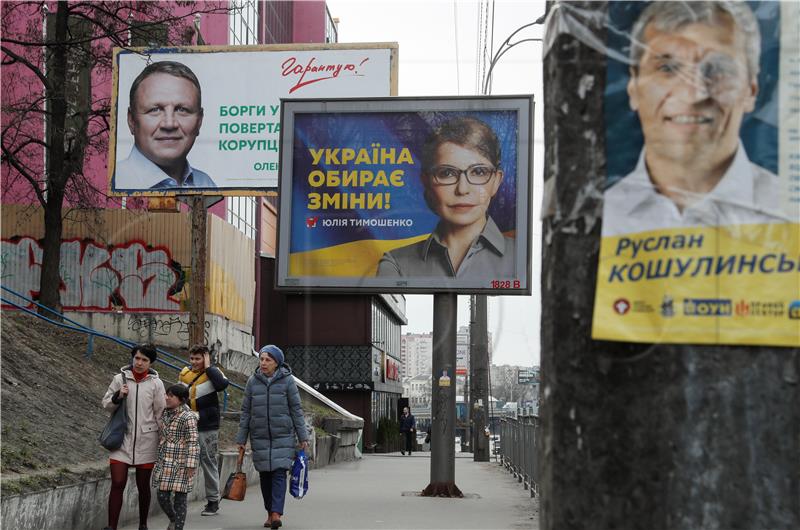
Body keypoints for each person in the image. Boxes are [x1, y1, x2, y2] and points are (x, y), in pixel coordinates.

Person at [602, 1, 792, 237]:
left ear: (751, 90)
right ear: (633, 88)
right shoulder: (596, 219)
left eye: (719, 68)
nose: (694, 95)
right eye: (668, 68)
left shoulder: (792, 214)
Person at [376, 117, 515, 278]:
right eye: (447, 173)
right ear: (426, 182)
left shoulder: (520, 258)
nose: (462, 189)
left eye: (478, 172)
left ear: (496, 181)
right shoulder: (396, 264)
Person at [236, 345, 310, 529]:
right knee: (265, 476)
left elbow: (296, 410)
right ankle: (269, 512)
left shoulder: (288, 381)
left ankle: (276, 513)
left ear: (277, 363)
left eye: (268, 360)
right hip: (259, 435)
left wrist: (303, 437)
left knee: (278, 473)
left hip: (282, 435)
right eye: (261, 359)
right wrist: (241, 439)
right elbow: (245, 412)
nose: (263, 363)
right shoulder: (253, 381)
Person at [115, 60, 215, 190]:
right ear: (131, 120)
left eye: (182, 110)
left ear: (199, 121)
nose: (169, 124)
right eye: (155, 110)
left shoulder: (206, 184)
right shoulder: (115, 180)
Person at [101, 344, 166, 530]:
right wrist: (118, 396)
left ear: (150, 363)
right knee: (118, 482)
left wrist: (163, 438)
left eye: (144, 360)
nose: (139, 363)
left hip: (147, 441)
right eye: (137, 358)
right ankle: (111, 526)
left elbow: (160, 412)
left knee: (143, 486)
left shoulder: (156, 383)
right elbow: (105, 404)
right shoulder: (119, 379)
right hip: (121, 439)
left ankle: (143, 524)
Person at [178, 344, 229, 517]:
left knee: (208, 461)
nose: (194, 362)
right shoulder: (184, 374)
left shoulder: (213, 373)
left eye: (198, 358)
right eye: (192, 358)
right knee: (184, 462)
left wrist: (208, 366)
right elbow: (179, 397)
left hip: (207, 426)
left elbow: (222, 385)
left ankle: (213, 501)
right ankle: (179, 499)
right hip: (188, 424)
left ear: (205, 358)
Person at [153, 384, 199, 530]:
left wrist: (191, 464)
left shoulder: (188, 416)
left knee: (180, 498)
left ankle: (178, 527)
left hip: (182, 463)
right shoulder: (165, 412)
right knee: (162, 495)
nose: (166, 397)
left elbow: (193, 441)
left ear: (181, 400)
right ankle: (173, 518)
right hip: (165, 460)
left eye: (171, 396)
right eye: (166, 394)